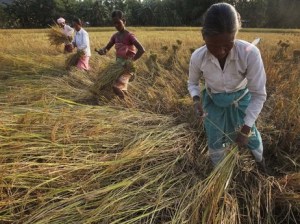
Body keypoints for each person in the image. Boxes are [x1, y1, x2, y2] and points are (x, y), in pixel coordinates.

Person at [188, 3, 267, 169]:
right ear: (204, 36)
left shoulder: (249, 53)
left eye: (228, 44)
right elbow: (193, 83)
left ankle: (262, 164)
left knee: (251, 137)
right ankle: (219, 173)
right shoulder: (198, 57)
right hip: (213, 102)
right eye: (214, 45)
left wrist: (245, 129)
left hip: (241, 100)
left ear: (236, 35)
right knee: (215, 138)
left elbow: (258, 94)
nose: (221, 51)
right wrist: (196, 101)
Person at [97, 10, 145, 99]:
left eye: (118, 23)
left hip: (127, 68)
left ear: (124, 21)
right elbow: (106, 49)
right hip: (118, 66)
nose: (116, 25)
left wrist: (130, 62)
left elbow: (142, 50)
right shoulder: (115, 36)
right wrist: (102, 51)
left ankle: (125, 106)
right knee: (120, 88)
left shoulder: (130, 36)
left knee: (116, 87)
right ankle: (128, 104)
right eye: (114, 23)